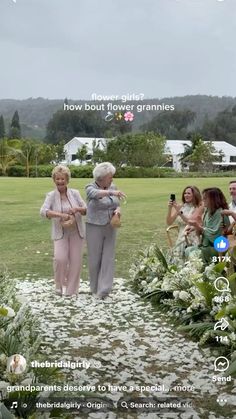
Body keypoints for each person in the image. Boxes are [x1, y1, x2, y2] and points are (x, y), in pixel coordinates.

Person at [40, 165, 86, 296]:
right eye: (58, 179)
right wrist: (60, 215)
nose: (60, 181)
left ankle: (72, 291)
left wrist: (77, 209)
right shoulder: (51, 195)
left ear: (67, 180)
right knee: (60, 259)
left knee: (76, 262)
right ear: (54, 180)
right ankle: (59, 286)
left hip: (77, 232)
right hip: (60, 233)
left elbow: (86, 209)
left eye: (63, 179)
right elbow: (43, 212)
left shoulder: (75, 193)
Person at [85, 162, 126, 299]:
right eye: (110, 177)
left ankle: (104, 290)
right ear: (101, 178)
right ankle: (95, 288)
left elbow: (116, 204)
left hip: (110, 226)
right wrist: (111, 192)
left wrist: (118, 211)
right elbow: (94, 194)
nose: (112, 180)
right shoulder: (90, 187)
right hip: (94, 225)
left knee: (108, 256)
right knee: (95, 258)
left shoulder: (113, 186)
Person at [187, 187, 230, 264]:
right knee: (188, 250)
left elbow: (215, 235)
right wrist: (196, 227)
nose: (203, 200)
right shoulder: (208, 212)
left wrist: (197, 225)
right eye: (203, 198)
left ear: (213, 199)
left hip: (217, 247)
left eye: (205, 198)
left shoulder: (221, 214)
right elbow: (205, 227)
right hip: (206, 245)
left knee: (194, 253)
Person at [166, 186, 203, 262]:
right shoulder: (180, 206)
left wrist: (179, 213)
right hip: (181, 235)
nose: (186, 195)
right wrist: (170, 208)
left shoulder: (199, 207)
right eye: (185, 193)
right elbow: (169, 222)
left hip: (193, 234)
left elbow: (191, 222)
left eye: (189, 193)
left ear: (195, 195)